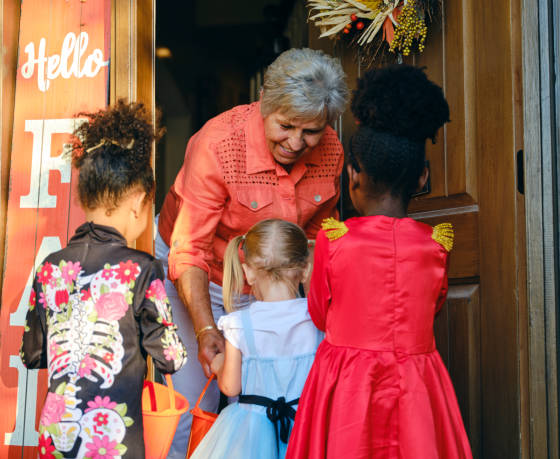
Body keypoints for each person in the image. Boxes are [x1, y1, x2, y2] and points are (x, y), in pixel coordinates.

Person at [155, 47, 348, 457]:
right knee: (196, 402)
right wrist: (208, 331)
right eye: (286, 126)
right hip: (197, 272)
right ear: (265, 101)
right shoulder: (216, 144)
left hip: (272, 281)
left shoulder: (330, 150)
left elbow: (315, 240)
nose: (297, 142)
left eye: (311, 131)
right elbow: (188, 249)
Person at [286, 65, 473, 458]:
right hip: (417, 384)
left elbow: (320, 314)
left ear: (353, 174)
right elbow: (433, 306)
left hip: (347, 386)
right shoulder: (436, 246)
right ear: (422, 179)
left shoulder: (333, 241)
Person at [20, 101, 187, 459]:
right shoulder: (142, 269)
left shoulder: (50, 267)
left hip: (55, 436)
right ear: (139, 202)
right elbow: (171, 358)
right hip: (113, 440)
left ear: (84, 197)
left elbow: (32, 355)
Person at [190, 219, 322, 458]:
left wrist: (219, 364)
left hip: (251, 434)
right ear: (305, 270)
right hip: (306, 427)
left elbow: (231, 386)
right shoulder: (316, 319)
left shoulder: (240, 325)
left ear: (248, 272)